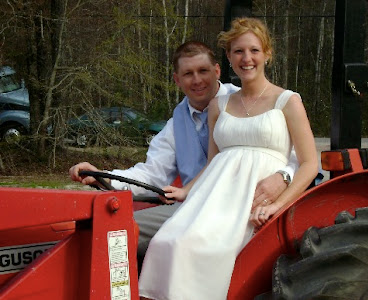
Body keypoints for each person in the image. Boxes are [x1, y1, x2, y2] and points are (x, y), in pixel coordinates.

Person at [69, 41, 299, 270]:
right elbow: (152, 174)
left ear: (217, 71)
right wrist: (104, 176)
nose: (197, 80)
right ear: (177, 80)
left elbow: (295, 154)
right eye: (188, 74)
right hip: (194, 206)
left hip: (244, 204)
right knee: (113, 232)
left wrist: (283, 176)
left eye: (203, 71)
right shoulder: (175, 124)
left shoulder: (251, 102)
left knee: (164, 242)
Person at [138, 18, 318, 300]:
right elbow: (213, 161)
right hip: (214, 197)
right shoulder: (218, 105)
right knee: (166, 241)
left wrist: (279, 204)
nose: (247, 58)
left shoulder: (287, 101)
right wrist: (187, 190)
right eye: (238, 51)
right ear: (229, 58)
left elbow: (309, 163)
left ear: (267, 54)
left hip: (251, 201)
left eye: (254, 50)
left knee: (200, 247)